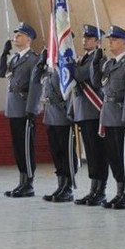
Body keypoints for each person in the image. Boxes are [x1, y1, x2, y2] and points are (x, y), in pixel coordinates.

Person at [93, 25, 125, 210]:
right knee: (113, 156)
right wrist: (95, 64)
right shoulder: (110, 64)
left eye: (113, 40)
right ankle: (119, 190)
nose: (110, 42)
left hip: (123, 116)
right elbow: (99, 83)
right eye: (109, 40)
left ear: (123, 42)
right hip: (109, 115)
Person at [0, 22, 40, 198]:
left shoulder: (33, 59)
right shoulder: (14, 58)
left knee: (26, 147)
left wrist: (31, 109)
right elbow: (1, 73)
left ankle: (29, 183)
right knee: (18, 147)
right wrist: (4, 54)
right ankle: (22, 180)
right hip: (13, 108)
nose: (16, 37)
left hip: (24, 108)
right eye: (16, 34)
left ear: (28, 39)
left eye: (20, 35)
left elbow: (35, 86)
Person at [72, 25, 108, 206]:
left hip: (94, 111)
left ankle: (100, 189)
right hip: (83, 111)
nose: (84, 40)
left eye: (89, 37)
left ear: (98, 42)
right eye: (84, 37)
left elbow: (79, 75)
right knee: (91, 154)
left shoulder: (98, 59)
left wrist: (68, 64)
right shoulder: (83, 58)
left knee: (98, 152)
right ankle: (93, 188)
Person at [34, 50, 76, 202]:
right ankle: (61, 185)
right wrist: (40, 63)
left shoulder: (68, 67)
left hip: (63, 116)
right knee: (55, 152)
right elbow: (36, 80)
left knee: (66, 153)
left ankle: (68, 187)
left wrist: (71, 114)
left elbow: (72, 92)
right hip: (50, 116)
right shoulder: (50, 68)